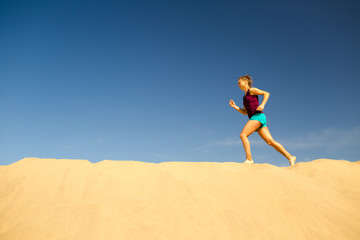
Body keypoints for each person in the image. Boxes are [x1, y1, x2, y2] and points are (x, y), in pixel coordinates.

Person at [229, 75, 296, 166]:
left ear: (245, 81)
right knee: (270, 142)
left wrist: (262, 104)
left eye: (239, 82)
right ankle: (290, 157)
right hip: (256, 118)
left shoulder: (251, 90)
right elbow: (245, 112)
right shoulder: (244, 97)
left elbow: (266, 93)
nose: (238, 85)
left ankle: (249, 159)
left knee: (243, 135)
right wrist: (235, 107)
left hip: (258, 116)